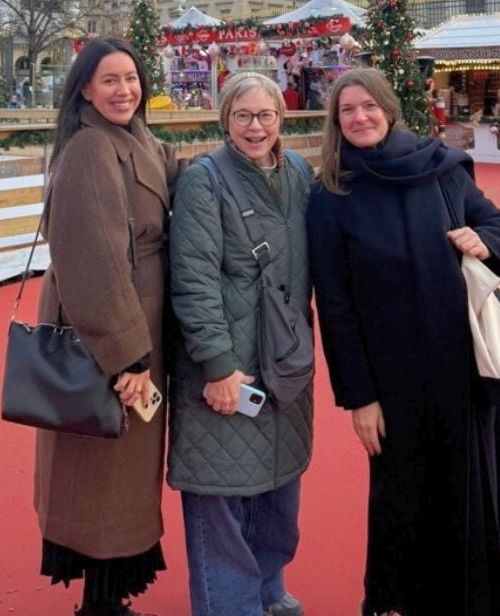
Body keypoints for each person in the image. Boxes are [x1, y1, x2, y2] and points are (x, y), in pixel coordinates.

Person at [307, 67, 500, 616]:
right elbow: (334, 304)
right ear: (337, 122)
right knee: (401, 494)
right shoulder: (332, 193)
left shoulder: (441, 168)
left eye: (368, 106)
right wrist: (358, 397)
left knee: (464, 487)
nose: (359, 118)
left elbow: (496, 221)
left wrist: (483, 240)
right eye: (347, 111)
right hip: (391, 378)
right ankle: (397, 600)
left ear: (387, 108)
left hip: (460, 368)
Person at [33, 37, 179, 616]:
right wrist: (127, 358)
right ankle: (98, 603)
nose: (125, 90)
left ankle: (109, 596)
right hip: (109, 332)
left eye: (132, 78)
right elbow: (90, 257)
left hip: (135, 323)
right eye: (110, 80)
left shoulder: (137, 138)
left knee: (120, 469)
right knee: (102, 466)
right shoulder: (92, 147)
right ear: (85, 89)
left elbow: (180, 176)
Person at [168, 72, 313, 616]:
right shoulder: (206, 181)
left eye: (267, 115)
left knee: (278, 483)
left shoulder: (298, 171)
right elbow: (194, 277)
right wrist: (217, 365)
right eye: (243, 116)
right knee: (221, 497)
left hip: (284, 358)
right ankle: (231, 606)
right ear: (225, 119)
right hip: (228, 361)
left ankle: (268, 588)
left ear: (282, 118)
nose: (256, 127)